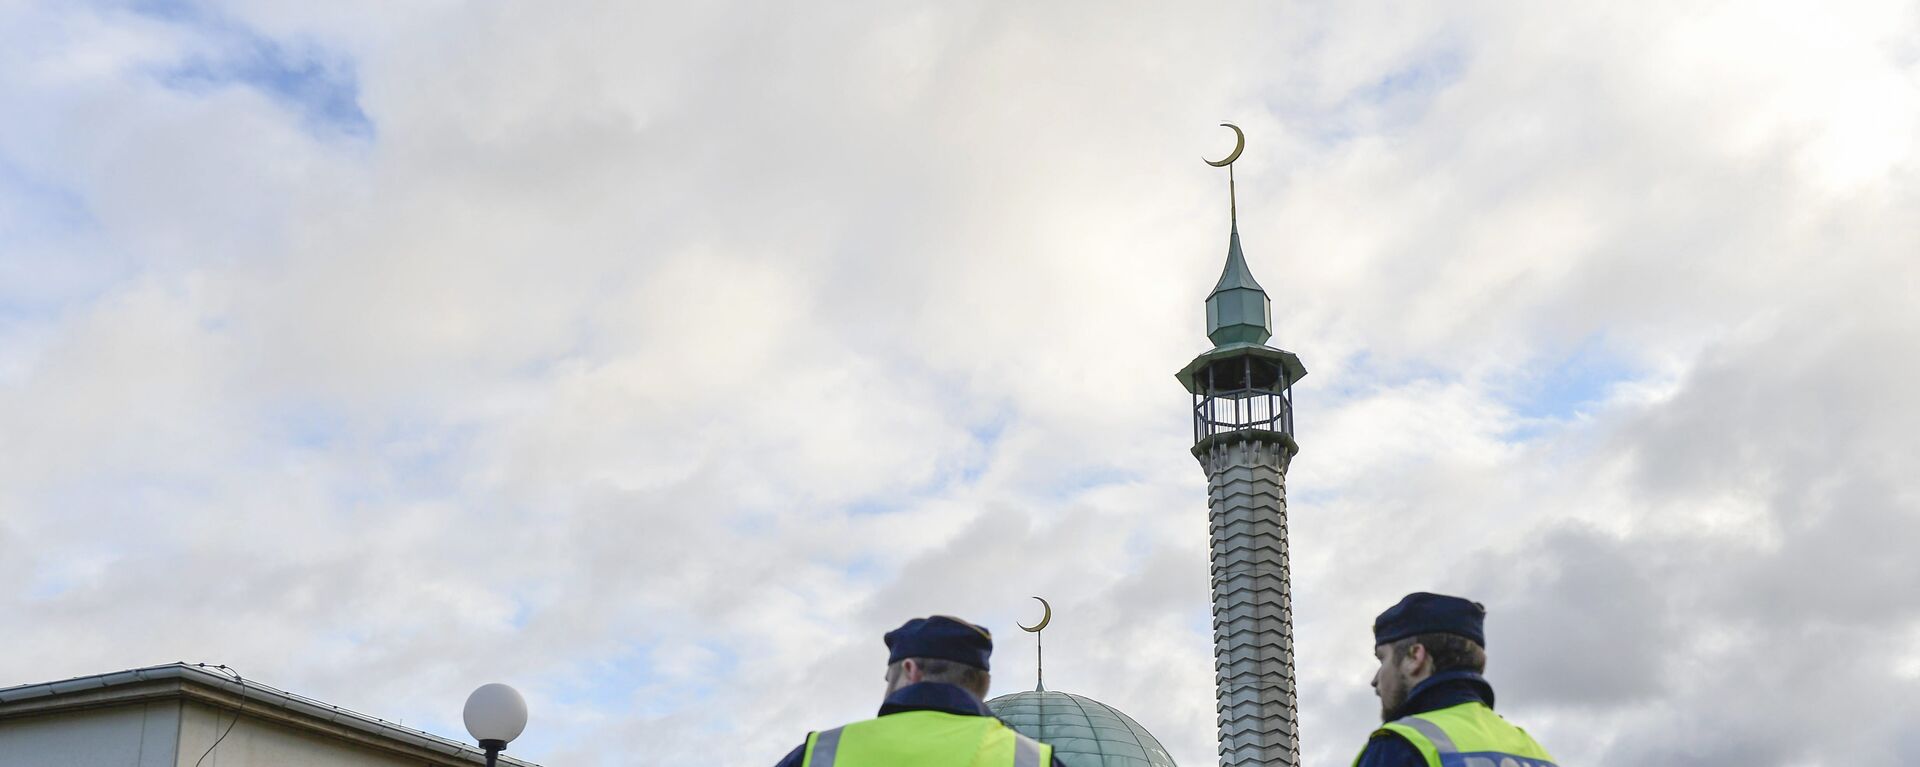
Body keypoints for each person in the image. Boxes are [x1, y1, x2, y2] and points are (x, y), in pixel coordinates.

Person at [774, 615, 1062, 767]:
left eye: (890, 678)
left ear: (910, 670)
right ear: (981, 683)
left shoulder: (824, 753)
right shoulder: (1027, 759)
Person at [1353, 593, 1558, 767]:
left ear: (1415, 657)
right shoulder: (1537, 753)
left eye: (1383, 659)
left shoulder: (1399, 745)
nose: (1375, 680)